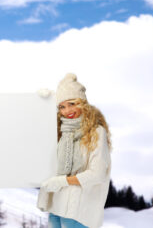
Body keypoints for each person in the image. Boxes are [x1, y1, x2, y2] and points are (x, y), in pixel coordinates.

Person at [37, 73, 112, 228]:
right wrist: (41, 103)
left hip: (78, 211)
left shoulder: (96, 131)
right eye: (62, 106)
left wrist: (62, 181)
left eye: (72, 104)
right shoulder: (60, 131)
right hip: (56, 205)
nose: (67, 111)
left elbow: (97, 173)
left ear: (82, 102)